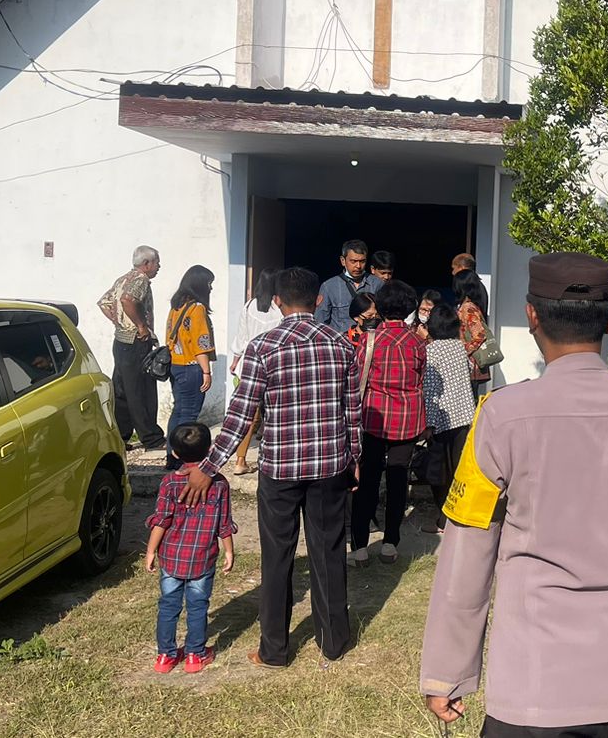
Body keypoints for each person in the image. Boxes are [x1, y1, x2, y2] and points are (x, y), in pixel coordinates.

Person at [421, 252, 608, 738]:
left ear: (531, 315)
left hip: (532, 683)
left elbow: (468, 549)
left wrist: (448, 669)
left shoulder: (500, 416)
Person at [182, 267, 362, 668]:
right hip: (329, 465)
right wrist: (355, 458)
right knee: (329, 552)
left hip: (280, 468)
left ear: (277, 302)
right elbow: (352, 411)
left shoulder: (262, 347)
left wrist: (209, 466)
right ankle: (334, 641)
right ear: (318, 300)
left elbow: (240, 416)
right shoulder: (341, 345)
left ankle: (275, 649)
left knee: (277, 556)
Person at [144, 423, 237, 674]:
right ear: (209, 450)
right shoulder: (219, 484)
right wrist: (229, 551)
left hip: (171, 557)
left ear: (174, 453)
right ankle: (196, 655)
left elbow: (161, 521)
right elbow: (224, 523)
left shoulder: (169, 483)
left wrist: (151, 551)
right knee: (198, 606)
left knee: (168, 606)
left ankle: (165, 656)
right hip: (202, 557)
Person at [350, 280, 429, 565]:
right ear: (409, 308)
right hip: (407, 419)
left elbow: (357, 375)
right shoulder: (417, 342)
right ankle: (390, 544)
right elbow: (421, 378)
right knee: (398, 479)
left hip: (374, 417)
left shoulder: (370, 340)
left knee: (368, 480)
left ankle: (359, 546)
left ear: (381, 307)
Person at [98, 245, 165, 452]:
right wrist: (140, 326)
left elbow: (104, 303)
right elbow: (128, 300)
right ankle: (151, 438)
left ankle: (120, 436)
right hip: (135, 342)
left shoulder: (123, 279)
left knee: (122, 391)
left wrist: (119, 323)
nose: (159, 266)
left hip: (120, 342)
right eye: (156, 262)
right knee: (140, 391)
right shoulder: (140, 280)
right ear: (146, 264)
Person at [419, 302, 476, 533]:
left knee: (437, 472)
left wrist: (429, 424)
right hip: (463, 416)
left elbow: (431, 389)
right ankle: (459, 514)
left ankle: (444, 518)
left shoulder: (431, 351)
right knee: (458, 470)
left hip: (441, 420)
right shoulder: (459, 347)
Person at [229, 268, 281, 475]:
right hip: (273, 365)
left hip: (249, 365)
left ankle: (240, 460)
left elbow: (242, 336)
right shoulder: (280, 310)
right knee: (274, 413)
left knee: (249, 414)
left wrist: (236, 360)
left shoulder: (249, 306)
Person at [165, 265, 217, 470]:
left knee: (178, 411)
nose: (211, 288)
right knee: (188, 416)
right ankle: (184, 458)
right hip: (192, 367)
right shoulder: (197, 309)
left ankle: (172, 454)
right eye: (209, 283)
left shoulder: (176, 306)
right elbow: (200, 343)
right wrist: (206, 371)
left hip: (176, 365)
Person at [315, 239, 386, 332]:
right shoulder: (328, 287)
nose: (358, 266)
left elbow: (386, 317)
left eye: (362, 261)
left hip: (371, 338)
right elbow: (320, 322)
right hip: (341, 339)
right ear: (343, 261)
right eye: (353, 261)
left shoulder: (378, 284)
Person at [454, 269, 492, 392]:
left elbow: (480, 335)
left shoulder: (468, 308)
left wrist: (462, 351)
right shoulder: (471, 305)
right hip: (471, 365)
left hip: (470, 366)